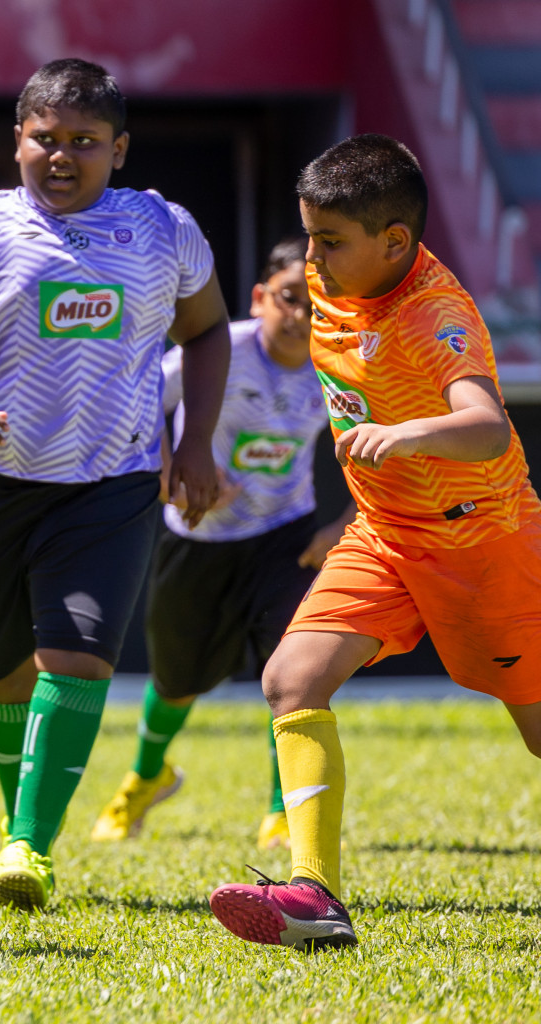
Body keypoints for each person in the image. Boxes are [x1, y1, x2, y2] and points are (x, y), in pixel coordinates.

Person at [0, 58, 232, 911]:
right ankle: (20, 825)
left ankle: (30, 846)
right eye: (46, 139)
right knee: (5, 677)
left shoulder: (163, 229)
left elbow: (211, 330)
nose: (63, 156)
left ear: (120, 148)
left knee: (74, 659)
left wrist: (195, 445)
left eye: (85, 141)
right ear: (18, 141)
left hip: (110, 483)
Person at [209, 134, 541, 951]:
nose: (310, 258)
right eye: (308, 235)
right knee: (291, 679)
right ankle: (315, 896)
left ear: (396, 243)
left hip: (481, 543)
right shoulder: (328, 284)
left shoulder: (436, 315)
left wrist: (407, 433)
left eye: (328, 240)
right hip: (385, 536)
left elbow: (488, 428)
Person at [88, 237, 356, 851]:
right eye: (291, 299)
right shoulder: (218, 353)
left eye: (320, 305)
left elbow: (384, 443)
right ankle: (145, 777)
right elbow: (139, 401)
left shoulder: (338, 365)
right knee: (176, 679)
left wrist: (340, 524)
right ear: (261, 298)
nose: (303, 317)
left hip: (286, 537)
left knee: (291, 668)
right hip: (198, 538)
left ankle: (280, 810)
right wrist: (170, 473)